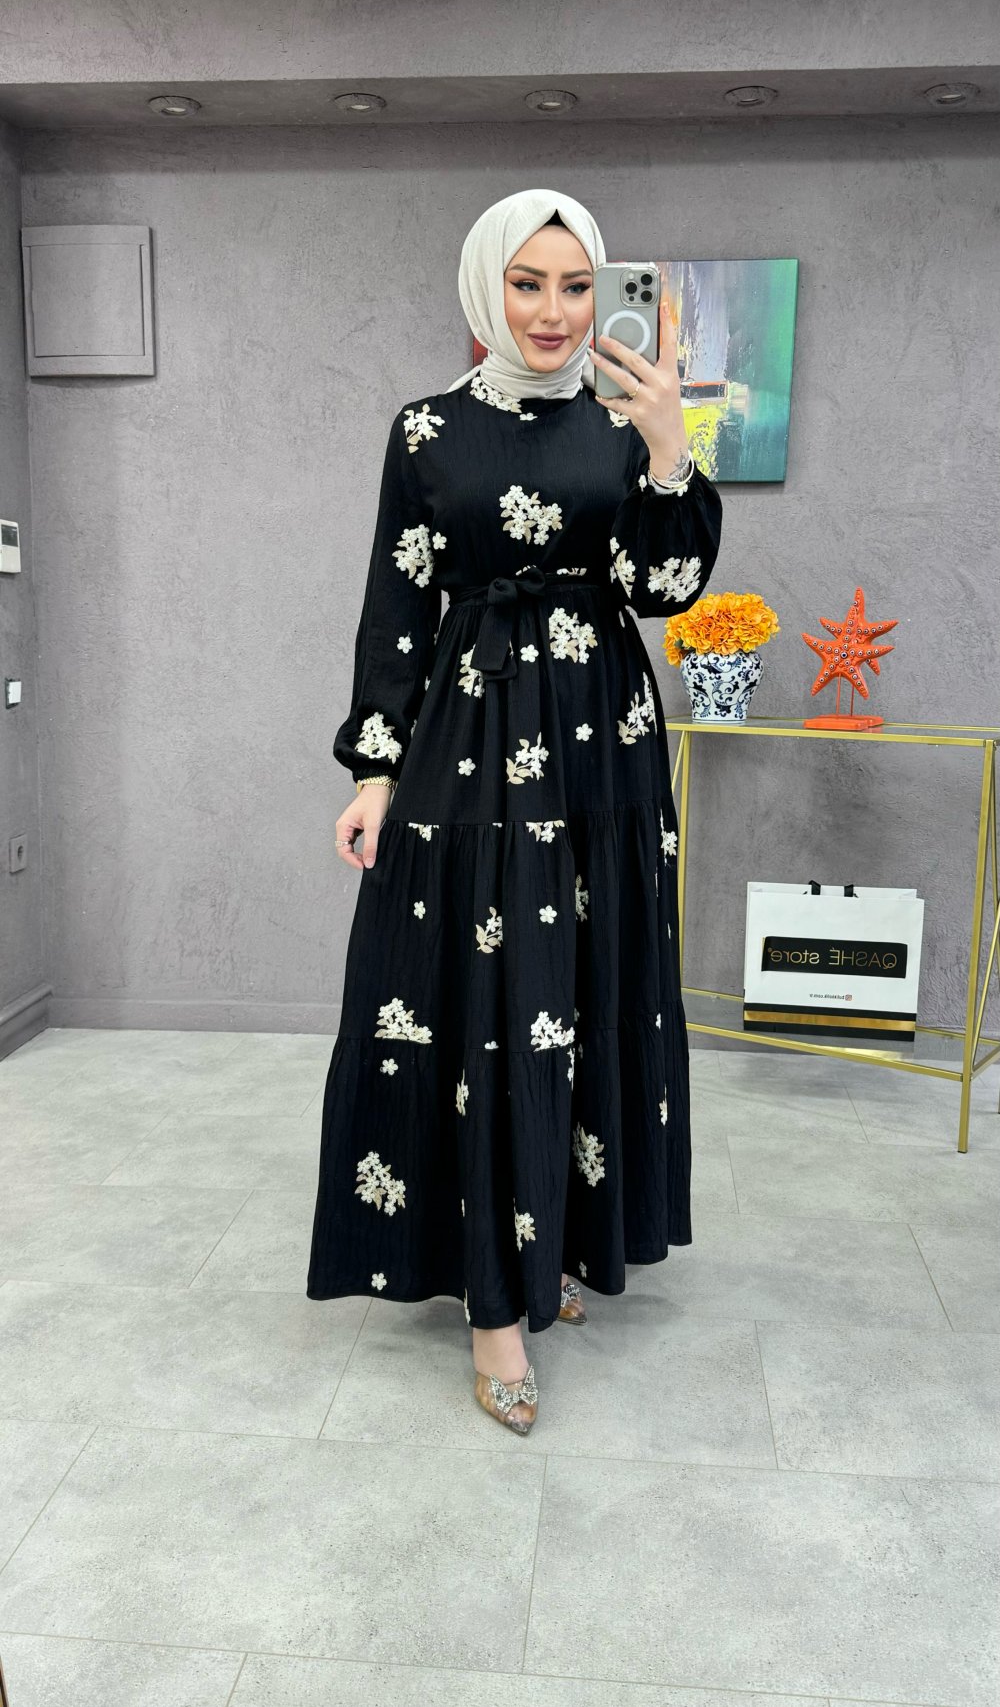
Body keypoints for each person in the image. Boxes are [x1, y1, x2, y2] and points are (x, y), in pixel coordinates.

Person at [307, 188, 723, 1435]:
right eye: (527, 282)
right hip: (475, 736)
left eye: (575, 285)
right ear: (486, 285)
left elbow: (660, 586)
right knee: (487, 1000)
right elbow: (397, 603)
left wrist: (669, 452)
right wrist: (373, 771)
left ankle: (550, 1244)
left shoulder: (622, 423)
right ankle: (494, 1300)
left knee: (582, 989)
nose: (553, 310)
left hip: (603, 748)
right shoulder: (426, 430)